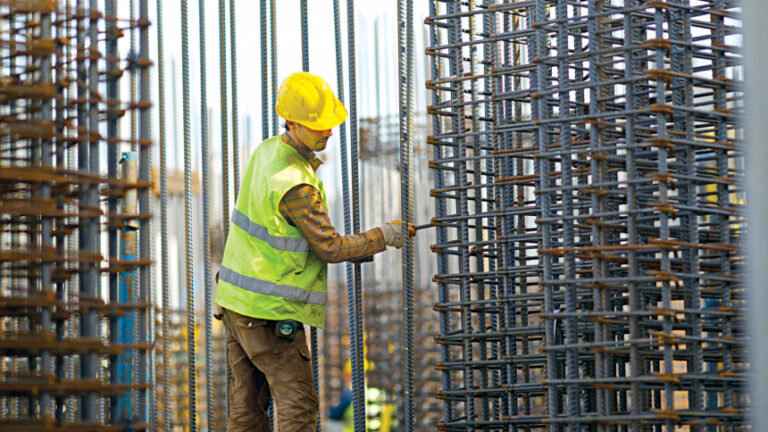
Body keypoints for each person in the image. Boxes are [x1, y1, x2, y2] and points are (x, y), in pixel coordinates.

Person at [214, 71, 415, 432]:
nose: (329, 131)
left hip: (235, 304)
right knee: (299, 408)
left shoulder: (267, 152)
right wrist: (385, 235)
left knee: (246, 410)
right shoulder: (295, 184)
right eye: (318, 125)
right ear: (292, 123)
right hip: (269, 315)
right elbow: (330, 248)